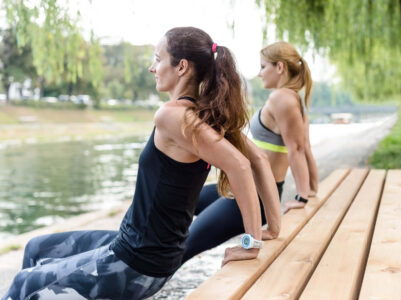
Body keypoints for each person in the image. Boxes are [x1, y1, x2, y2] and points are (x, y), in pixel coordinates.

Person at [2, 27, 280, 300]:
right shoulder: (204, 118)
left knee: (23, 284)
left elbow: (241, 166)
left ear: (181, 67)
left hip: (137, 263)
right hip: (135, 247)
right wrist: (274, 227)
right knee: (36, 249)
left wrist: (251, 242)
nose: (152, 67)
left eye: (158, 59)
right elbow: (257, 160)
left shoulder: (173, 116)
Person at [182, 41, 318, 264]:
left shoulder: (281, 98)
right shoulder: (291, 98)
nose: (259, 73)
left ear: (280, 67)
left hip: (256, 195)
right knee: (183, 201)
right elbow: (306, 147)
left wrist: (302, 196)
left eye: (263, 67)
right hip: (243, 187)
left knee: (186, 245)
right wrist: (312, 188)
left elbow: (298, 149)